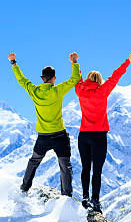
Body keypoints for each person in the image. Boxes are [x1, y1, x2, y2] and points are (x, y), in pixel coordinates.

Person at [8, 52, 81, 197]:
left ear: (42, 79)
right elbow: (75, 78)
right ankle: (66, 196)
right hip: (60, 135)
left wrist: (14, 63)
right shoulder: (57, 91)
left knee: (34, 161)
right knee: (65, 166)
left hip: (43, 137)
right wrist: (74, 62)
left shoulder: (35, 91)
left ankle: (24, 187)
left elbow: (21, 80)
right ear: (54, 78)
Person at [74, 52, 131, 213]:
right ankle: (95, 200)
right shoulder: (102, 91)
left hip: (84, 135)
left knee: (85, 167)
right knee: (97, 170)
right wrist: (128, 61)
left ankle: (85, 197)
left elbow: (76, 79)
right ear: (99, 81)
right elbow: (115, 76)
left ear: (87, 80)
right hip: (99, 135)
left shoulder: (80, 90)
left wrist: (74, 63)